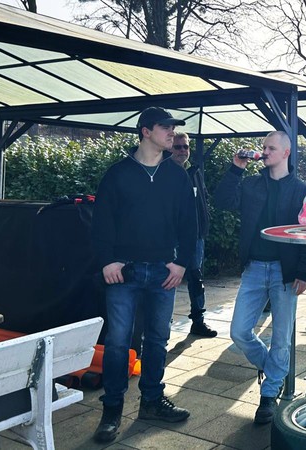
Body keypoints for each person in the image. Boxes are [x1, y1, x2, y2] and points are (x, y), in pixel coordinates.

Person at [91, 107, 197, 443]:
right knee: (118, 342)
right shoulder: (118, 173)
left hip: (164, 271)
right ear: (145, 131)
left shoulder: (177, 175)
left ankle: (151, 401)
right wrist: (107, 261)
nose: (172, 133)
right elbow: (101, 222)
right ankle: (112, 410)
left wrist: (182, 263)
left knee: (157, 339)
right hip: (124, 271)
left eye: (173, 128)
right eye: (165, 127)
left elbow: (189, 223)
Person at [215, 131, 306, 425]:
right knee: (239, 331)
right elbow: (222, 201)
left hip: (285, 272)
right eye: (263, 147)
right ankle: (274, 371)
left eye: (271, 148)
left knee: (282, 338)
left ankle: (269, 394)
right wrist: (236, 168)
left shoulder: (301, 191)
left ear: (286, 153)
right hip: (255, 269)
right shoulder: (251, 184)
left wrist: (304, 273)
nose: (264, 151)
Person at [168, 131, 217, 337]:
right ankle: (163, 325)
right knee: (167, 279)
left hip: (195, 235)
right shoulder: (163, 171)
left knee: (196, 278)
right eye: (177, 147)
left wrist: (203, 225)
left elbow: (203, 199)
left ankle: (198, 321)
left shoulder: (195, 171)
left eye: (185, 146)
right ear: (169, 148)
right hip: (170, 237)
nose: (182, 150)